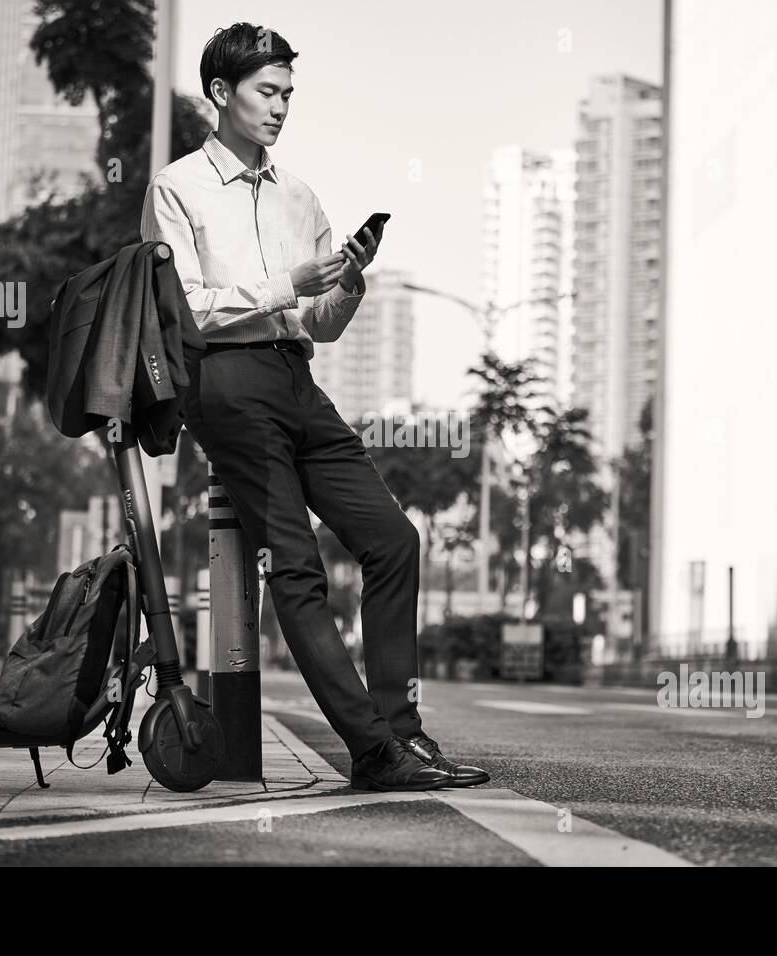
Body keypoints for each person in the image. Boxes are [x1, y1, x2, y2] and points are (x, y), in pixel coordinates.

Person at [140, 22, 489, 792]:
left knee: (394, 538)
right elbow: (185, 313)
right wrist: (285, 285)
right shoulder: (176, 188)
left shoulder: (300, 196)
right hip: (225, 383)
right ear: (222, 94)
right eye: (267, 92)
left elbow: (320, 324)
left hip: (296, 375)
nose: (280, 108)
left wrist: (349, 280)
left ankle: (403, 733)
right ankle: (372, 752)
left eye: (289, 94)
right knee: (296, 570)